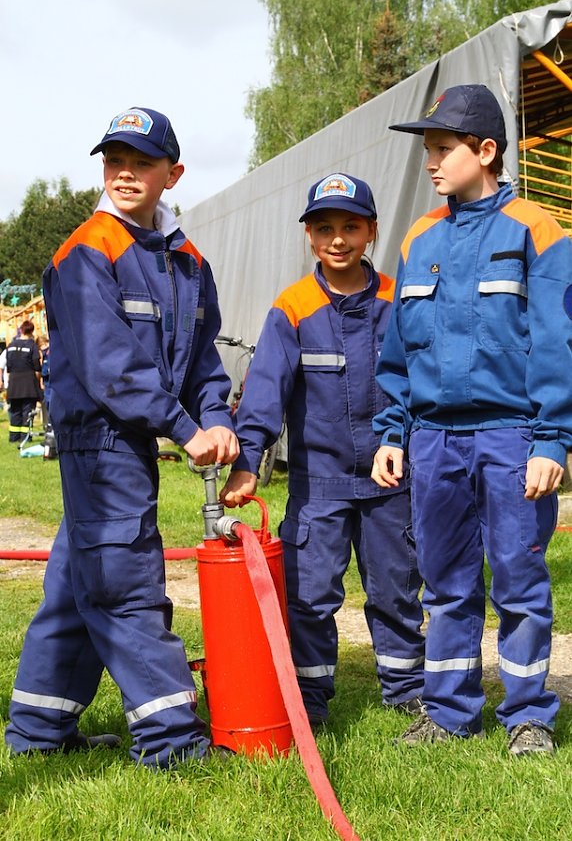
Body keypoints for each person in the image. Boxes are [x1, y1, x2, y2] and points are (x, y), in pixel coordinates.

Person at [5, 107, 239, 768]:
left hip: (129, 441)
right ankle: (172, 741)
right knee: (125, 584)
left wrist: (217, 415)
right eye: (114, 161)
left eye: (141, 162)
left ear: (173, 174)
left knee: (76, 586)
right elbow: (109, 365)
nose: (125, 173)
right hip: (100, 441)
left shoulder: (188, 261)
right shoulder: (87, 251)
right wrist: (185, 429)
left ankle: (38, 731)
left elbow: (202, 361)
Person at [371, 84, 572, 756]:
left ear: (485, 151)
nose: (430, 162)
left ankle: (529, 716)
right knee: (446, 582)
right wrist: (393, 432)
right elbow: (398, 350)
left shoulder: (537, 229)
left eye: (442, 148)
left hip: (512, 436)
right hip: (434, 441)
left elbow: (559, 344)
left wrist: (552, 440)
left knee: (518, 578)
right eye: (427, 150)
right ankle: (450, 712)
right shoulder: (419, 237)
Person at [221, 173, 425, 729]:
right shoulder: (292, 308)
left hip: (390, 482)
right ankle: (310, 699)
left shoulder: (398, 300)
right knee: (309, 596)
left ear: (371, 232)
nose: (338, 239)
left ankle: (407, 689)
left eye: (351, 227)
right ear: (309, 235)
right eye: (324, 228)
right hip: (319, 488)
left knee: (396, 590)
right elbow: (264, 393)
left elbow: (420, 381)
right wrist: (247, 463)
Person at [5, 320, 43, 443]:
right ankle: (25, 437)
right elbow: (37, 367)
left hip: (14, 382)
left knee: (15, 410)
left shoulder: (11, 345)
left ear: (21, 330)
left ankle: (13, 437)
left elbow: (8, 366)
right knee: (27, 411)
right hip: (28, 383)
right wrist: (38, 383)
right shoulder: (32, 346)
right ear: (32, 331)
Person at [37, 334, 51, 426]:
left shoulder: (49, 352)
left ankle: (50, 424)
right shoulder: (44, 354)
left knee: (50, 402)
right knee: (48, 402)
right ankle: (49, 424)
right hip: (47, 382)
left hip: (51, 381)